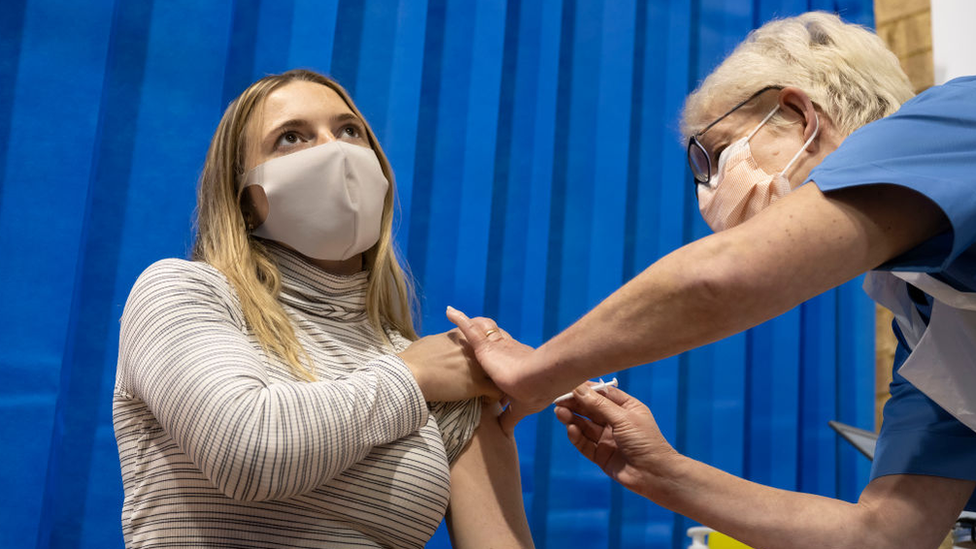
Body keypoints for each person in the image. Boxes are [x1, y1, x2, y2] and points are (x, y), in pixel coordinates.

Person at [447, 12, 976, 549]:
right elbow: (886, 536)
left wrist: (535, 369)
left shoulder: (959, 120)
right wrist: (661, 472)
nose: (707, 194)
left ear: (798, 113)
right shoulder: (931, 325)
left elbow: (723, 275)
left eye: (715, 154)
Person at [113, 69, 533, 548]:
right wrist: (410, 377)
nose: (336, 152)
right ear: (245, 201)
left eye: (349, 130)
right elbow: (245, 453)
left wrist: (549, 376)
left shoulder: (444, 368)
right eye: (291, 138)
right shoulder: (186, 292)